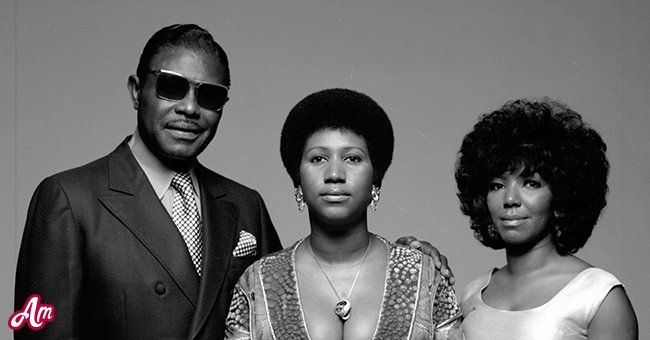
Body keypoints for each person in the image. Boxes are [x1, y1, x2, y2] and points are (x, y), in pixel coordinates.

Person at [13, 24, 451, 339]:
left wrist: (404, 261)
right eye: (171, 87)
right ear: (135, 90)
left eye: (208, 95)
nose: (189, 108)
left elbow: (286, 298)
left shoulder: (243, 205)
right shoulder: (71, 199)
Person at [224, 88, 463, 339]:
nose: (334, 174)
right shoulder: (259, 281)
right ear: (298, 181)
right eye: (318, 159)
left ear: (375, 179)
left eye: (352, 158)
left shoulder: (422, 276)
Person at [455, 98, 638, 339]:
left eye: (531, 183)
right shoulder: (473, 293)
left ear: (561, 194)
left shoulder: (599, 297)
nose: (510, 199)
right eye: (497, 185)